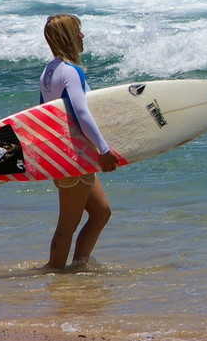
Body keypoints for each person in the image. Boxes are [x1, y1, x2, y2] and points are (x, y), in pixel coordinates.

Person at [39, 14, 119, 269]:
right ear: (67, 37)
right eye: (77, 32)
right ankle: (55, 274)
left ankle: (79, 267)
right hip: (74, 157)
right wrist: (103, 149)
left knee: (101, 212)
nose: (82, 36)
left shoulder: (49, 71)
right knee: (68, 223)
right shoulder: (72, 72)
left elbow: (44, 112)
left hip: (67, 154)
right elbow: (82, 113)